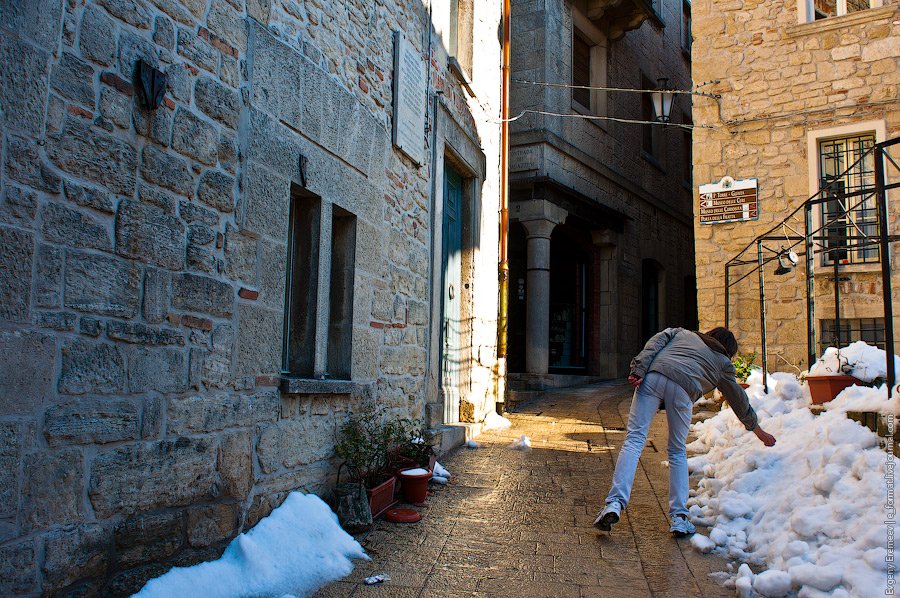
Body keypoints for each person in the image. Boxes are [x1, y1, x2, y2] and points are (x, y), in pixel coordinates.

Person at [594, 326, 777, 536]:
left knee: (634, 440)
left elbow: (655, 343)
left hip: (654, 377)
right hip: (684, 390)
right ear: (728, 350)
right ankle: (679, 517)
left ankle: (615, 503)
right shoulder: (723, 363)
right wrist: (757, 429)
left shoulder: (680, 333)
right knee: (677, 451)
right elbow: (738, 398)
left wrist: (638, 369)